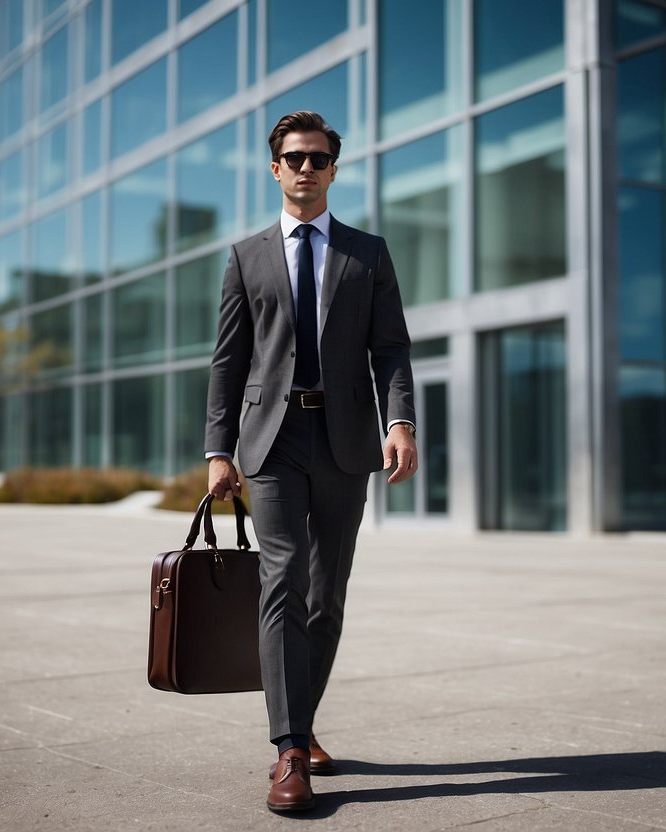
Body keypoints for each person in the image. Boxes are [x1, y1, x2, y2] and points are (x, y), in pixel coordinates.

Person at [205, 111, 418, 812]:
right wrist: (217, 450)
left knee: (326, 595)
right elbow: (228, 361)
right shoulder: (245, 255)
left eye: (317, 158)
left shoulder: (367, 253)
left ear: (333, 169)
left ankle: (304, 719)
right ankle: (288, 750)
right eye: (293, 158)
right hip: (270, 443)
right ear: (275, 169)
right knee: (282, 581)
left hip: (345, 438)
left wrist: (400, 421)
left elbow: (390, 348)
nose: (304, 168)